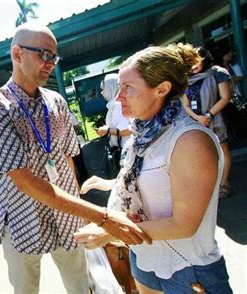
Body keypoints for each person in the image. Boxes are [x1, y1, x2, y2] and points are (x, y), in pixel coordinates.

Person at [0, 22, 151, 294]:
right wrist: (102, 217)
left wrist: (78, 209)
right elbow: (24, 181)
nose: (50, 63)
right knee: (25, 288)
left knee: (81, 284)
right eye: (43, 54)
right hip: (24, 215)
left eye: (54, 56)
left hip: (67, 214)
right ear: (17, 54)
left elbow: (69, 159)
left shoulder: (56, 102)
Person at [75, 43, 232, 293]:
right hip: (145, 260)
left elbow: (184, 225)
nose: (118, 96)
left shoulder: (190, 140)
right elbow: (149, 179)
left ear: (162, 89)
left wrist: (110, 229)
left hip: (188, 270)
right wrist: (109, 183)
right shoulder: (143, 133)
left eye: (128, 87)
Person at [181, 47, 232, 198]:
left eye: (196, 62)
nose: (193, 66)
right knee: (202, 153)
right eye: (189, 63)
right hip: (195, 121)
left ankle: (223, 184)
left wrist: (209, 115)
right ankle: (207, 185)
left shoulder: (217, 72)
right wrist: (198, 118)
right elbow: (185, 104)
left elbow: (225, 97)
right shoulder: (186, 79)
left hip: (217, 119)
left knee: (223, 150)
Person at [96, 73, 131, 148]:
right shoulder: (115, 105)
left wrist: (107, 130)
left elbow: (128, 130)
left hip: (128, 147)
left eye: (103, 89)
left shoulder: (118, 105)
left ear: (111, 87)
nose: (102, 93)